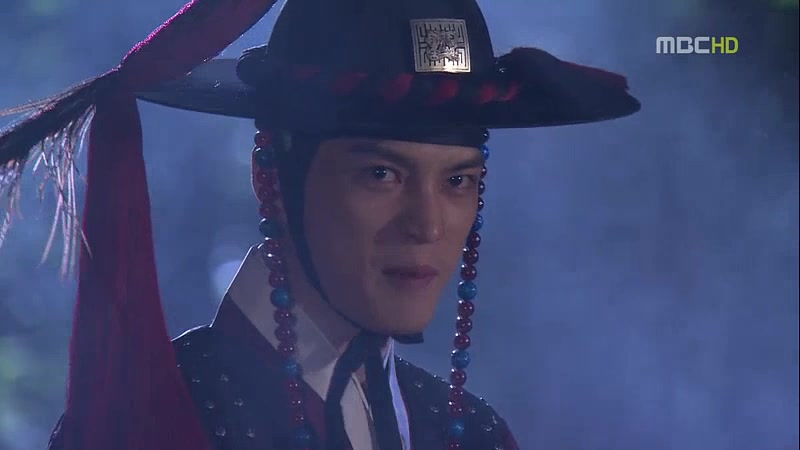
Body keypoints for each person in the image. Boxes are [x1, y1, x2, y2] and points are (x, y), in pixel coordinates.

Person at [0, 0, 640, 449]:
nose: (427, 225)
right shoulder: (159, 417)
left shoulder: (471, 433)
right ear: (272, 180)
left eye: (457, 181)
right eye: (381, 174)